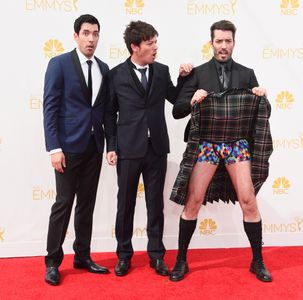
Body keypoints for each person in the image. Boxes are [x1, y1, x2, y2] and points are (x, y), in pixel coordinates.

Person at [169, 20, 273, 282]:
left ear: (234, 43)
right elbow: (177, 110)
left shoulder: (247, 73)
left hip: (237, 143)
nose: (223, 46)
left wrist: (262, 96)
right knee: (193, 201)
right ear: (211, 43)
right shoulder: (197, 73)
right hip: (207, 143)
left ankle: (257, 261)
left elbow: (264, 113)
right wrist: (193, 98)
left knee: (249, 201)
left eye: (228, 41)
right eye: (219, 41)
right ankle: (181, 260)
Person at [104, 20, 192, 277]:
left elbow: (176, 99)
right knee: (125, 204)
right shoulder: (116, 74)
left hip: (157, 149)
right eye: (150, 43)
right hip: (128, 149)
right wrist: (112, 145)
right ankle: (123, 255)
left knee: (156, 204)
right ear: (135, 47)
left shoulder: (162, 71)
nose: (155, 47)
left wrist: (184, 77)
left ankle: (156, 255)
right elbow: (109, 113)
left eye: (156, 42)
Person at [43, 14, 110, 286]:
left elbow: (103, 110)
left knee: (86, 205)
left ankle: (82, 255)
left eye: (95, 33)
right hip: (67, 148)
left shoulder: (104, 68)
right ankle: (52, 262)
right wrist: (54, 148)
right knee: (63, 204)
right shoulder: (59, 64)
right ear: (75, 36)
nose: (91, 39)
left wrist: (110, 145)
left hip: (94, 147)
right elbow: (50, 108)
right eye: (85, 33)